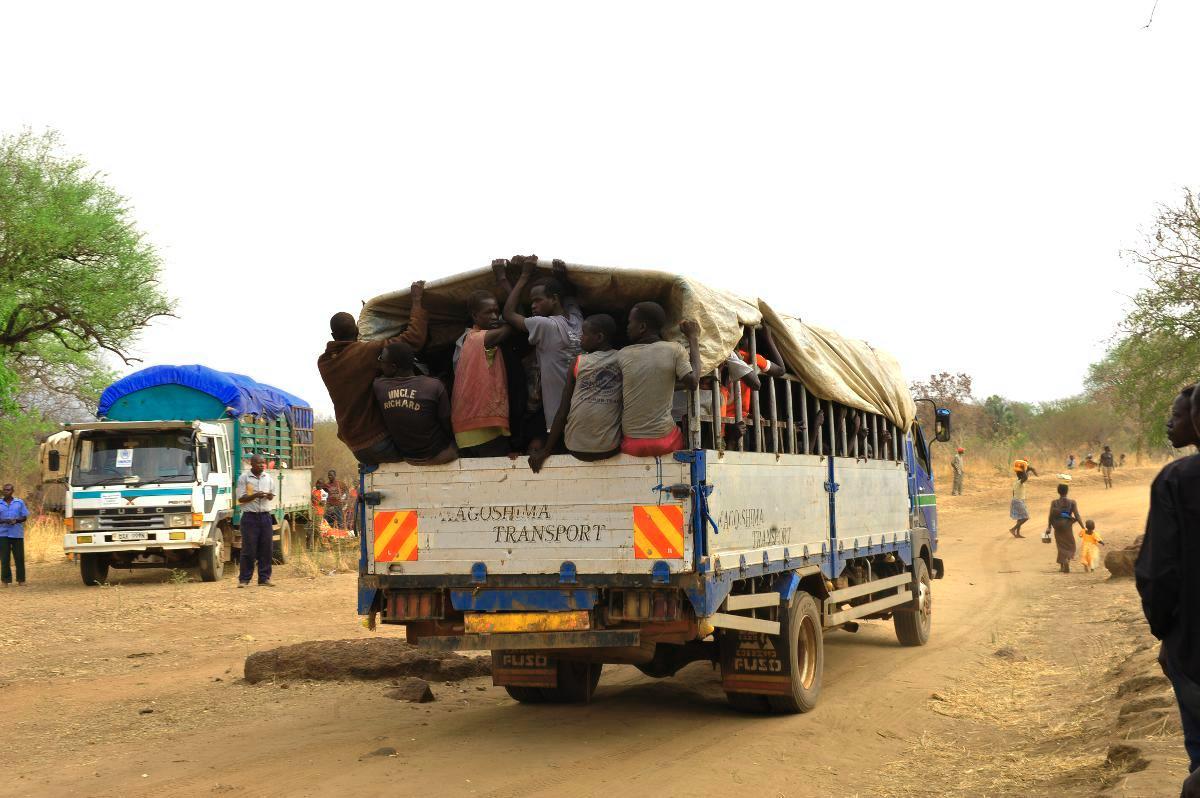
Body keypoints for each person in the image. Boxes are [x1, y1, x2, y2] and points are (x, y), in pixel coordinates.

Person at [1136, 384, 1200, 782]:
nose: (1171, 423)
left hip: (1195, 651)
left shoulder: (1178, 481)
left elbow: (1158, 574)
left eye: (1179, 414)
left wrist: (1167, 635)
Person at [318, 280, 428, 465]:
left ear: (333, 336)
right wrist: (417, 301)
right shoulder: (365, 352)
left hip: (354, 445)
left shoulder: (324, 362)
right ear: (357, 329)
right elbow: (414, 338)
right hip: (378, 439)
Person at [496, 257, 582, 444]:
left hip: (559, 417)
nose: (533, 305)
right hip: (581, 410)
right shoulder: (577, 320)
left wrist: (524, 275)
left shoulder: (546, 325)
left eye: (537, 300)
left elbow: (509, 313)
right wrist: (562, 279)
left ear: (554, 299)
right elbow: (571, 298)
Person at [530, 314, 622, 473]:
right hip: (610, 448)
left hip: (574, 447)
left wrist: (547, 450)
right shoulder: (623, 359)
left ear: (599, 337)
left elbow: (563, 410)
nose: (581, 337)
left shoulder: (578, 362)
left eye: (584, 333)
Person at [617, 304, 700, 456]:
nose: (627, 327)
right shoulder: (675, 349)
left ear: (642, 327)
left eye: (630, 322)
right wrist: (693, 337)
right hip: (665, 442)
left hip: (631, 444)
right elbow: (693, 382)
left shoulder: (622, 354)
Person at [453, 289, 515, 457]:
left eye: (497, 311)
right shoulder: (478, 338)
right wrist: (505, 317)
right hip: (482, 429)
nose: (495, 316)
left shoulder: (465, 339)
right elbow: (508, 328)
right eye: (489, 312)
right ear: (475, 316)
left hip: (464, 429)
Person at [374, 341, 457, 465]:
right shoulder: (434, 386)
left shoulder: (379, 387)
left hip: (408, 457)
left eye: (382, 360)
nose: (380, 364)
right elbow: (447, 424)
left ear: (393, 367)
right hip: (439, 455)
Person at [237, 455, 276, 588]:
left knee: (266, 549)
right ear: (251, 464)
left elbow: (271, 495)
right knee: (249, 550)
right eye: (259, 463)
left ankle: (264, 578)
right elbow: (241, 499)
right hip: (250, 517)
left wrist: (269, 496)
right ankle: (244, 580)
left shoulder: (268, 478)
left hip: (265, 517)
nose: (262, 465)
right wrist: (255, 495)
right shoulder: (244, 478)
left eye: (263, 463)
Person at [1046, 482, 1084, 573]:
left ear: (1058, 491)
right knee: (1070, 544)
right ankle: (1067, 560)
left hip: (1057, 525)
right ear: (1067, 491)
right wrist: (1083, 527)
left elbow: (1050, 515)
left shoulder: (1054, 502)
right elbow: (1077, 515)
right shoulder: (1072, 502)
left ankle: (1062, 566)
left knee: (1060, 545)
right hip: (1067, 525)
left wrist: (1049, 527)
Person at [0, 484, 29, 587]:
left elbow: (24, 517)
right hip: (3, 535)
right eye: (4, 490)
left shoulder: (19, 502)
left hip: (17, 534)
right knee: (4, 558)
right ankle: (5, 581)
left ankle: (21, 580)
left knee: (19, 557)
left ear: (12, 491)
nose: (5, 491)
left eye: (8, 490)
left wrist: (16, 520)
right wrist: (5, 521)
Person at [1009, 468, 1031, 538]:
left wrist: (1026, 469)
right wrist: (1024, 469)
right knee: (1025, 517)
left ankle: (1018, 534)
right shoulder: (1020, 482)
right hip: (1018, 500)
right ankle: (1013, 529)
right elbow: (1026, 477)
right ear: (1022, 476)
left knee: (1020, 517)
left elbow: (1013, 493)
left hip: (1016, 500)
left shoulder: (1016, 482)